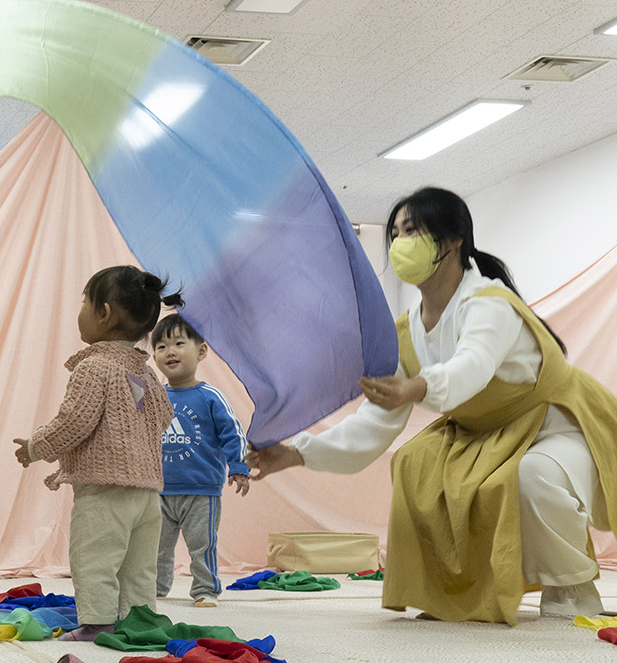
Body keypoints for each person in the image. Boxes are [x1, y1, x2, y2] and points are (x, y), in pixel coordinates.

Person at [249, 187, 617, 625]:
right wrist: (294, 454)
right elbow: (376, 423)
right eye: (396, 233)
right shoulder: (406, 331)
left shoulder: (491, 303)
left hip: (555, 424)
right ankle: (451, 592)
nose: (400, 242)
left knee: (534, 476)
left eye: (412, 230)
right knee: (414, 463)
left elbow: (473, 365)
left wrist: (419, 387)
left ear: (452, 239)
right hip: (484, 435)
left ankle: (572, 588)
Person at [13, 265, 179, 640]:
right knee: (138, 567)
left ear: (103, 313)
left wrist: (36, 446)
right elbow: (162, 418)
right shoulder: (147, 374)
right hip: (148, 492)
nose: (80, 312)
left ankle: (98, 621)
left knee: (95, 558)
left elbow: (74, 421)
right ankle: (138, 619)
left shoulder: (94, 367)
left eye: (84, 302)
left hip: (106, 490)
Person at [151, 314, 249, 608]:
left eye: (179, 343)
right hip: (159, 488)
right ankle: (154, 588)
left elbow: (233, 434)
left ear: (201, 351)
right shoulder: (154, 396)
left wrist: (239, 467)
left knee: (202, 544)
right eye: (161, 347)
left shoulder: (210, 396)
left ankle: (205, 589)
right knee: (155, 546)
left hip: (201, 489)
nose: (170, 351)